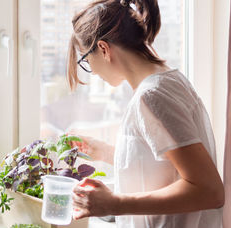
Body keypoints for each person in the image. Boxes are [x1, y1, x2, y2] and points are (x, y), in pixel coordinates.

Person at [66, 0, 225, 227]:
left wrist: (114, 203)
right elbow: (166, 166)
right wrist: (106, 152)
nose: (92, 71)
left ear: (103, 48)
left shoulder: (152, 96)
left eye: (86, 59)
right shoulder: (169, 82)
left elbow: (209, 190)